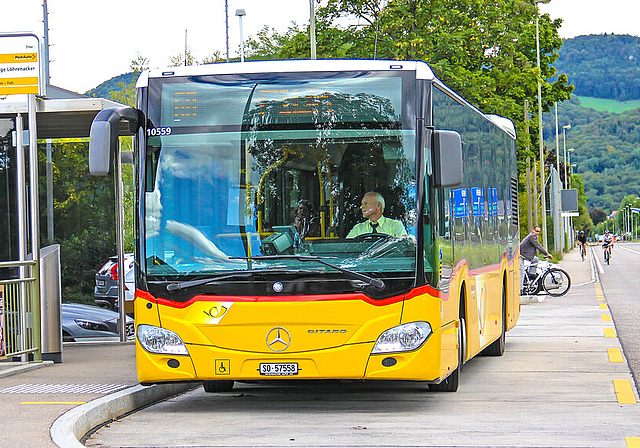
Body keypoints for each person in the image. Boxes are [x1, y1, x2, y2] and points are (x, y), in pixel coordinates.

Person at [520, 225, 552, 290]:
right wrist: (547, 254)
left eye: (539, 232)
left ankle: (531, 274)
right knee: (521, 273)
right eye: (536, 231)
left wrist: (544, 254)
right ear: (532, 230)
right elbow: (538, 246)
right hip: (522, 255)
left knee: (535, 260)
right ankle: (521, 288)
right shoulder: (532, 236)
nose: (538, 233)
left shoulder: (532, 236)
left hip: (525, 254)